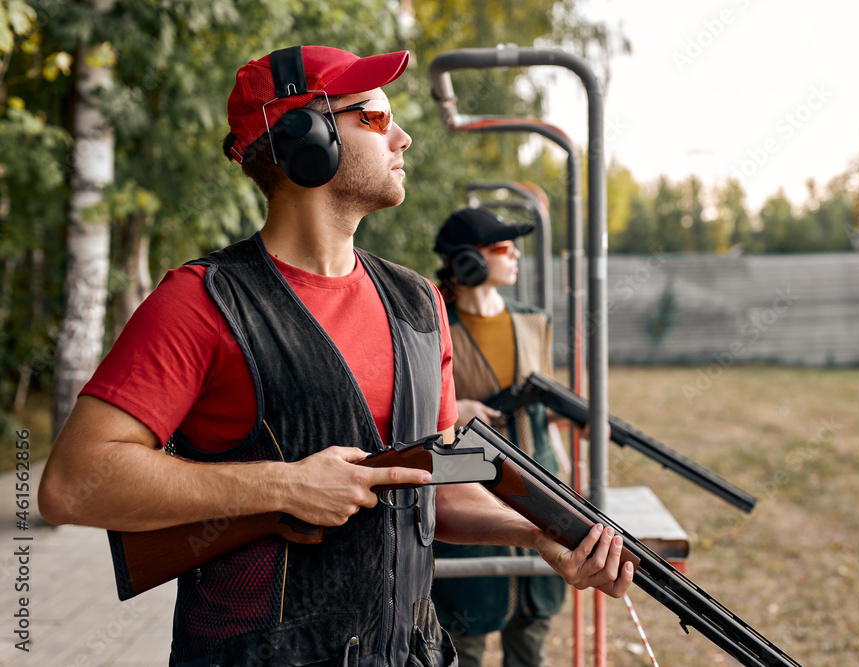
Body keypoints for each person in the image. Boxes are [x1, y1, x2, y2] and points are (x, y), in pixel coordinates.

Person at [38, 45, 633, 667]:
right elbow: (72, 485)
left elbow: (437, 484)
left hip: (410, 651)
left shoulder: (420, 304)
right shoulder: (202, 302)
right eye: (374, 118)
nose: (402, 138)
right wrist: (286, 484)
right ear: (308, 139)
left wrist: (537, 531)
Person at [431, 208, 564, 667]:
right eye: (504, 248)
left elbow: (545, 419)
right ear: (466, 259)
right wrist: (452, 413)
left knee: (531, 640)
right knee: (461, 645)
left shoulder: (534, 321)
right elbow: (414, 430)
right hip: (467, 507)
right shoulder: (431, 328)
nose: (517, 256)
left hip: (542, 498)